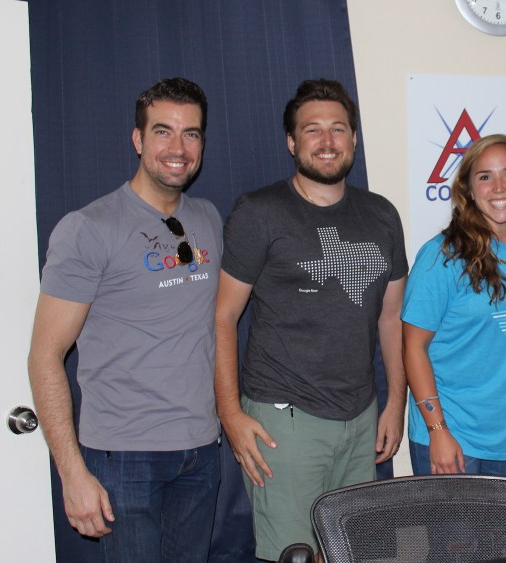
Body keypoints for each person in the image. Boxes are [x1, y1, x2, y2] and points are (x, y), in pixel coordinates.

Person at [28, 78, 222, 561]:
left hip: (200, 451)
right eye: (163, 131)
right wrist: (72, 473)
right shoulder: (89, 228)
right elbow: (44, 357)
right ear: (138, 140)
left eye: (191, 134)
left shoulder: (209, 220)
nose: (178, 148)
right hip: (123, 457)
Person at [213, 78, 407, 560]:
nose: (327, 141)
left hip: (361, 418)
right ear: (291, 141)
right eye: (312, 130)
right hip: (284, 420)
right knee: (294, 554)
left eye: (338, 129)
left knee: (354, 551)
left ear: (354, 139)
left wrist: (395, 400)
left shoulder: (381, 215)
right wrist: (231, 414)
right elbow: (222, 317)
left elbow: (391, 317)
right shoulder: (259, 213)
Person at [403, 133, 506, 476]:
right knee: (456, 534)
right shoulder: (441, 256)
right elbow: (412, 347)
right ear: (467, 189)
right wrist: (438, 431)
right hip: (454, 439)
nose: (499, 187)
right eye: (485, 176)